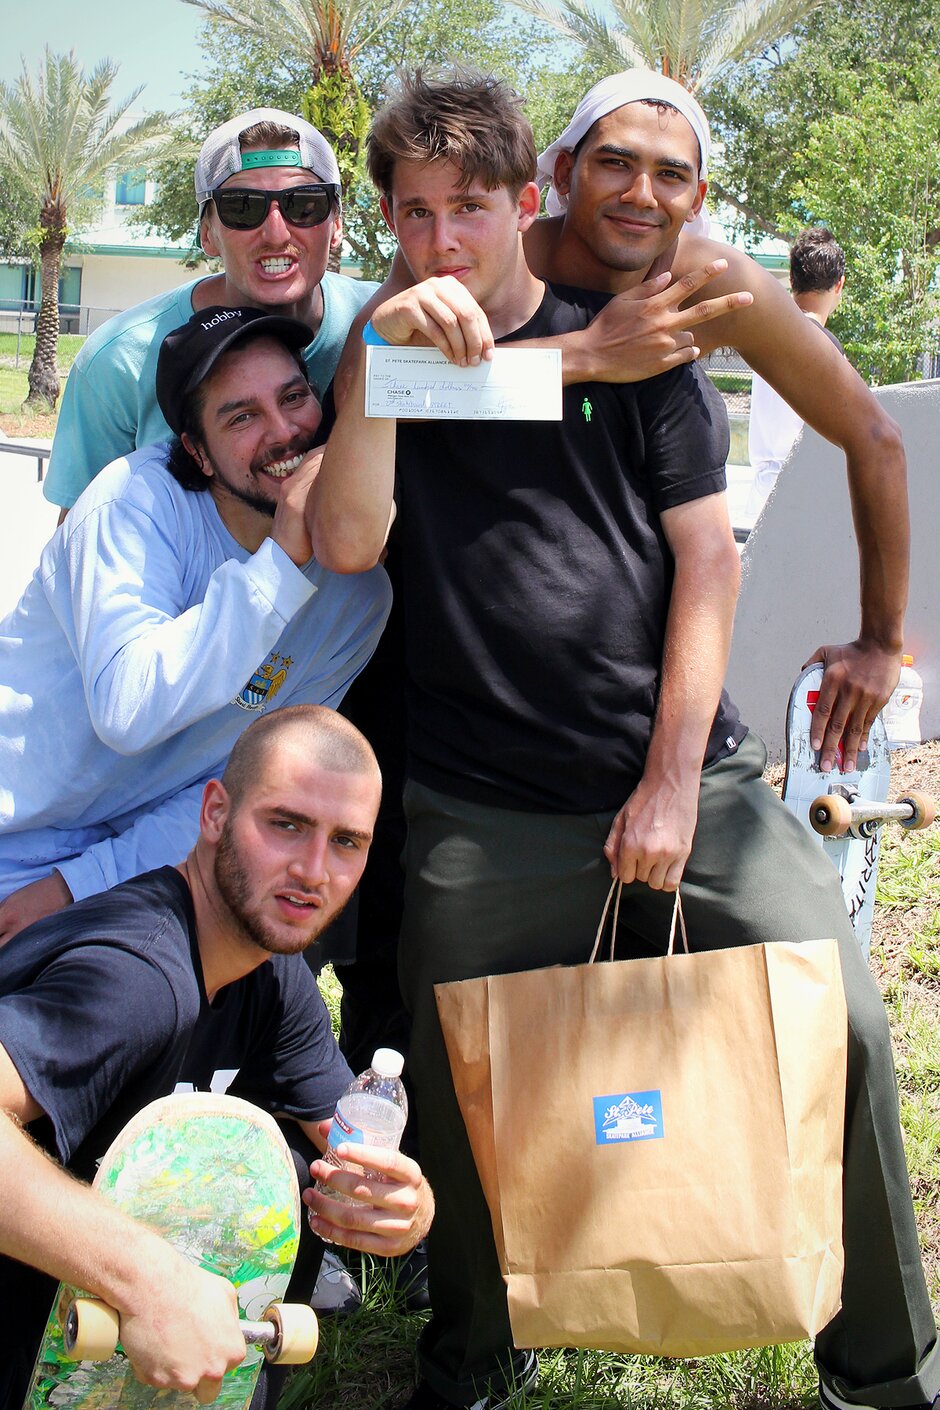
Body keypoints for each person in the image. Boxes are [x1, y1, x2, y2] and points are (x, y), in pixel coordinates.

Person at [309, 70, 940, 1410]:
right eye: (412, 216)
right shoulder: (399, 341)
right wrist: (389, 355)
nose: (442, 241)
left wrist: (675, 779)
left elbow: (712, 560)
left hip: (690, 777)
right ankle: (476, 1350)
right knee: (453, 1058)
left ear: (520, 201)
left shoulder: (660, 325)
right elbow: (349, 534)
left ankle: (885, 1367)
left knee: (849, 1024)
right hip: (483, 802)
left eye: (468, 208)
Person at [337, 68, 907, 776]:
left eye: (670, 175)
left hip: (646, 683)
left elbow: (874, 436)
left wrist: (881, 643)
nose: (640, 194)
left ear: (697, 198)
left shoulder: (714, 286)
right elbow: (368, 379)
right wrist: (585, 354)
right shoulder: (489, 255)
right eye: (616, 164)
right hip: (462, 700)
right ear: (564, 175)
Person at [0, 702, 434, 1407]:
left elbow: (350, 1146)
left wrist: (403, 1208)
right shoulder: (137, 980)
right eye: (285, 824)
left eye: (347, 842)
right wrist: (150, 1281)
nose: (313, 870)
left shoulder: (268, 971)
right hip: (42, 1356)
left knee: (290, 1171)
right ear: (214, 813)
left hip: (104, 1351)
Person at [0, 305, 389, 944]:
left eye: (294, 398)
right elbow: (129, 707)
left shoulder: (357, 599)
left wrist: (83, 884)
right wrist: (281, 564)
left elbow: (239, 783)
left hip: (141, 866)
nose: (283, 431)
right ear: (197, 452)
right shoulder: (133, 503)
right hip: (17, 831)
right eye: (241, 417)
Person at [42, 106, 378, 515]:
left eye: (303, 205)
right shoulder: (118, 363)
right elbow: (81, 548)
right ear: (207, 233)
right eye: (242, 207)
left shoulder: (382, 325)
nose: (276, 233)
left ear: (337, 224)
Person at [746, 226, 847, 517]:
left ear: (792, 280)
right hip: (802, 492)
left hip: (761, 491)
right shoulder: (828, 350)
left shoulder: (762, 335)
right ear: (838, 284)